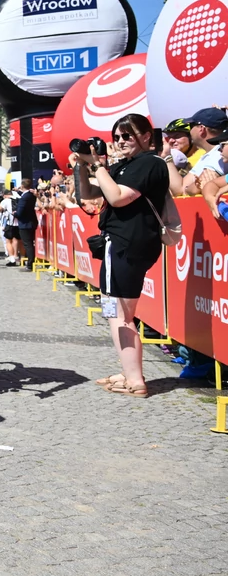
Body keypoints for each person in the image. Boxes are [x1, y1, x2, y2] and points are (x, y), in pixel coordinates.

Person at [73, 113, 169, 398]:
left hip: (127, 244)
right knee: (118, 313)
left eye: (128, 135)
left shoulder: (149, 163)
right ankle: (129, 372)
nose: (120, 142)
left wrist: (99, 166)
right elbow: (90, 192)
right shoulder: (125, 166)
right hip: (121, 245)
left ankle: (135, 380)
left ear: (147, 136)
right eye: (116, 137)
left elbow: (115, 197)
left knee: (120, 315)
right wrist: (82, 166)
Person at [15, 182, 38, 270]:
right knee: (30, 244)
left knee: (28, 244)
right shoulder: (30, 195)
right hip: (31, 222)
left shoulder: (24, 198)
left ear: (22, 186)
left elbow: (20, 212)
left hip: (25, 223)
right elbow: (25, 195)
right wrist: (18, 191)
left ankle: (30, 264)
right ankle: (31, 262)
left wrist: (15, 214)